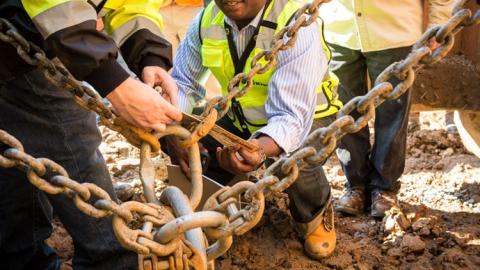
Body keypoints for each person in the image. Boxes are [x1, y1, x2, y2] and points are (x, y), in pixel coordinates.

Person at [0, 0, 182, 269]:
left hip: (26, 41)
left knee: (15, 160)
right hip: (25, 43)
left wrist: (149, 55)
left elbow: (131, 4)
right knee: (71, 147)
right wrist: (115, 83)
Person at [170, 0, 343, 259]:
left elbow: (291, 118)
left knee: (293, 161)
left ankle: (314, 213)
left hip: (309, 119)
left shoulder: (295, 23)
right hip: (243, 118)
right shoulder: (206, 21)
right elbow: (183, 82)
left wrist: (260, 150)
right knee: (194, 141)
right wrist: (177, 132)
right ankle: (210, 206)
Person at [319, 0, 453, 218]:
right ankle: (356, 186)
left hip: (393, 32)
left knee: (392, 115)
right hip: (337, 31)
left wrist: (438, 25)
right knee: (345, 113)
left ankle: (385, 189)